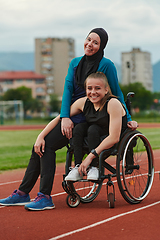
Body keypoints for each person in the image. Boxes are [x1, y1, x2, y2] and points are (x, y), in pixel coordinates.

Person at [0, 28, 137, 211]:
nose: (90, 44)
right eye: (89, 40)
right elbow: (67, 91)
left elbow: (116, 92)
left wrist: (127, 117)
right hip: (75, 111)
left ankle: (44, 196)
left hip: (93, 116)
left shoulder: (107, 65)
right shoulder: (74, 63)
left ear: (101, 46)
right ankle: (24, 193)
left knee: (52, 143)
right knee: (42, 145)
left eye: (96, 42)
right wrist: (64, 117)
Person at [64, 72, 128, 181]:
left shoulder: (113, 103)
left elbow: (114, 138)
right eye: (89, 88)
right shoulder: (83, 102)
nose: (93, 92)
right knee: (79, 128)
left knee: (92, 129)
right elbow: (61, 116)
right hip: (94, 134)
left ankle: (94, 167)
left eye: (97, 88)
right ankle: (77, 166)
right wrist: (41, 136)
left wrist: (89, 157)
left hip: (111, 138)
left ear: (106, 90)